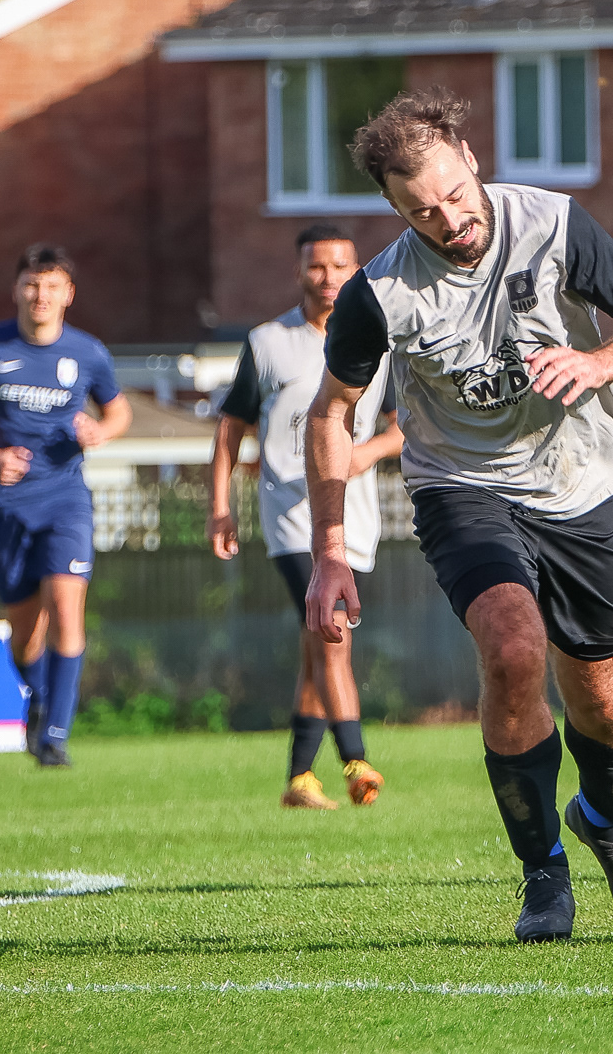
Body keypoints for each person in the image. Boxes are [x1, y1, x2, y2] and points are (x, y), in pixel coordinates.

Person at [303, 88, 613, 943]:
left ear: (471, 159)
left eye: (454, 195)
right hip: (462, 488)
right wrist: (331, 548)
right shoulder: (380, 291)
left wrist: (598, 363)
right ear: (396, 211)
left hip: (579, 482)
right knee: (512, 651)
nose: (449, 221)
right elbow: (330, 412)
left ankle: (606, 826)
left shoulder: (554, 223)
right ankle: (544, 872)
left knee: (607, 704)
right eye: (422, 213)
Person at [208, 224, 404, 810]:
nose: (328, 278)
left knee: (316, 642)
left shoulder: (376, 339)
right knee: (332, 632)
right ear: (298, 272)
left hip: (354, 516)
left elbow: (403, 428)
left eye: (340, 266)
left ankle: (300, 779)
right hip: (291, 515)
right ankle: (356, 759)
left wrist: (365, 453)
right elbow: (230, 430)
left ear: (357, 270)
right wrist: (221, 508)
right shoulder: (269, 342)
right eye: (316, 266)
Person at [0, 245, 131, 767]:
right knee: (25, 635)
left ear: (69, 294)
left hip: (65, 499)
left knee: (67, 609)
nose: (40, 295)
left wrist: (100, 431)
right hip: (4, 503)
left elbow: (119, 412)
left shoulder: (88, 353)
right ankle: (40, 699)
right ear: (17, 289)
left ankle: (55, 738)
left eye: (51, 285)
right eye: (31, 284)